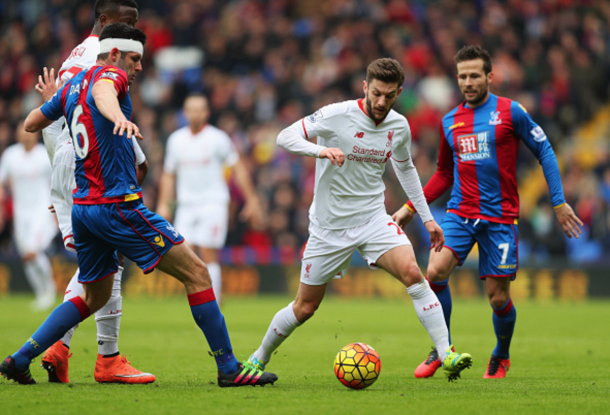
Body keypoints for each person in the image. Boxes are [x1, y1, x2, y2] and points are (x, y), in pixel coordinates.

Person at [0, 23, 277, 388]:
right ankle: (229, 367)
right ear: (113, 53)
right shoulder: (109, 76)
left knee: (94, 294)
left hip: (85, 209)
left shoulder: (70, 87)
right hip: (117, 206)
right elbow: (103, 91)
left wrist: (58, 101)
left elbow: (32, 122)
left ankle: (20, 358)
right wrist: (117, 117)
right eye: (135, 59)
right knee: (198, 273)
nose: (139, 67)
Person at [247, 58, 472, 382]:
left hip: (372, 219)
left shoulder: (399, 126)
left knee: (413, 273)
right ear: (365, 87)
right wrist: (320, 152)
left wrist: (427, 219)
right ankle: (258, 358)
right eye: (377, 93)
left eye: (389, 96)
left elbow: (405, 170)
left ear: (398, 93)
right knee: (305, 308)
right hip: (329, 227)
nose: (382, 102)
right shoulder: (336, 114)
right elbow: (284, 136)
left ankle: (446, 353)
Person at [392, 45, 583, 379]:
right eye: (462, 76)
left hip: (500, 219)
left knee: (497, 299)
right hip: (460, 214)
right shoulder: (449, 121)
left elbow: (546, 150)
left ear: (489, 77)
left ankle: (501, 355)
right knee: (434, 271)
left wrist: (558, 200)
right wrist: (411, 207)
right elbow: (443, 175)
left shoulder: (512, 112)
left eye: (475, 75)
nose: (468, 82)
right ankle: (443, 349)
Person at [35, 0, 153, 384]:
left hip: (69, 160)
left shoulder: (76, 55)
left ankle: (67, 349)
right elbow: (100, 106)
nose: (131, 31)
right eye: (125, 22)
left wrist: (60, 181)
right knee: (106, 261)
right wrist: (136, 156)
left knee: (101, 261)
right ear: (104, 21)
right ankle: (98, 356)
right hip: (93, 160)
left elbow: (48, 121)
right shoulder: (100, 59)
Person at [157, 93, 265, 305]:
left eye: (200, 109)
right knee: (183, 253)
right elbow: (169, 174)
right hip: (186, 205)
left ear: (206, 112)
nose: (195, 114)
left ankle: (212, 300)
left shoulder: (218, 139)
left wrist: (251, 200)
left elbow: (238, 169)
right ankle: (205, 294)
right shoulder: (176, 140)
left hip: (213, 203)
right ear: (185, 113)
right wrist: (163, 203)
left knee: (208, 251)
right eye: (191, 110)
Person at [0, 123, 57, 311]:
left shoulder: (44, 154)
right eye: (21, 132)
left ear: (35, 134)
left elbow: (58, 181)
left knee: (33, 251)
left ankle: (49, 289)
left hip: (41, 212)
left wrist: (58, 210)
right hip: (20, 214)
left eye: (28, 133)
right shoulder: (10, 155)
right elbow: (2, 183)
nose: (26, 136)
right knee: (26, 256)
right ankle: (41, 292)